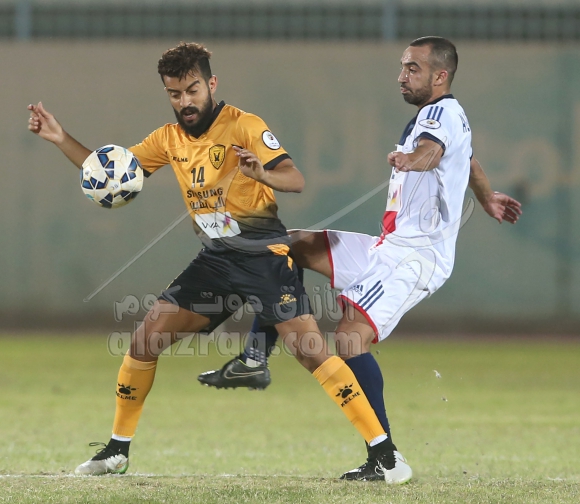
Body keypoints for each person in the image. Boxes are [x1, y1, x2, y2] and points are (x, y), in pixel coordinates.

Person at [27, 42, 413, 484]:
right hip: (216, 261)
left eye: (192, 90)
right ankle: (117, 450)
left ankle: (385, 455)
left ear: (211, 84)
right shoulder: (166, 139)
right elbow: (110, 174)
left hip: (263, 257)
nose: (184, 102)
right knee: (144, 341)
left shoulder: (244, 125)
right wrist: (61, 138)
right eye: (175, 94)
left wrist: (261, 173)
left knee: (311, 353)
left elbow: (295, 179)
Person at [198, 36, 522, 481]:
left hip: (413, 256)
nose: (402, 76)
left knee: (350, 339)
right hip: (389, 247)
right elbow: (467, 159)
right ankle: (255, 358)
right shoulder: (447, 117)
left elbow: (433, 152)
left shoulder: (438, 115)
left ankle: (386, 460)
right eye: (403, 66)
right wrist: (486, 197)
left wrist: (413, 159)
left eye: (413, 68)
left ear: (441, 75)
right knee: (287, 245)